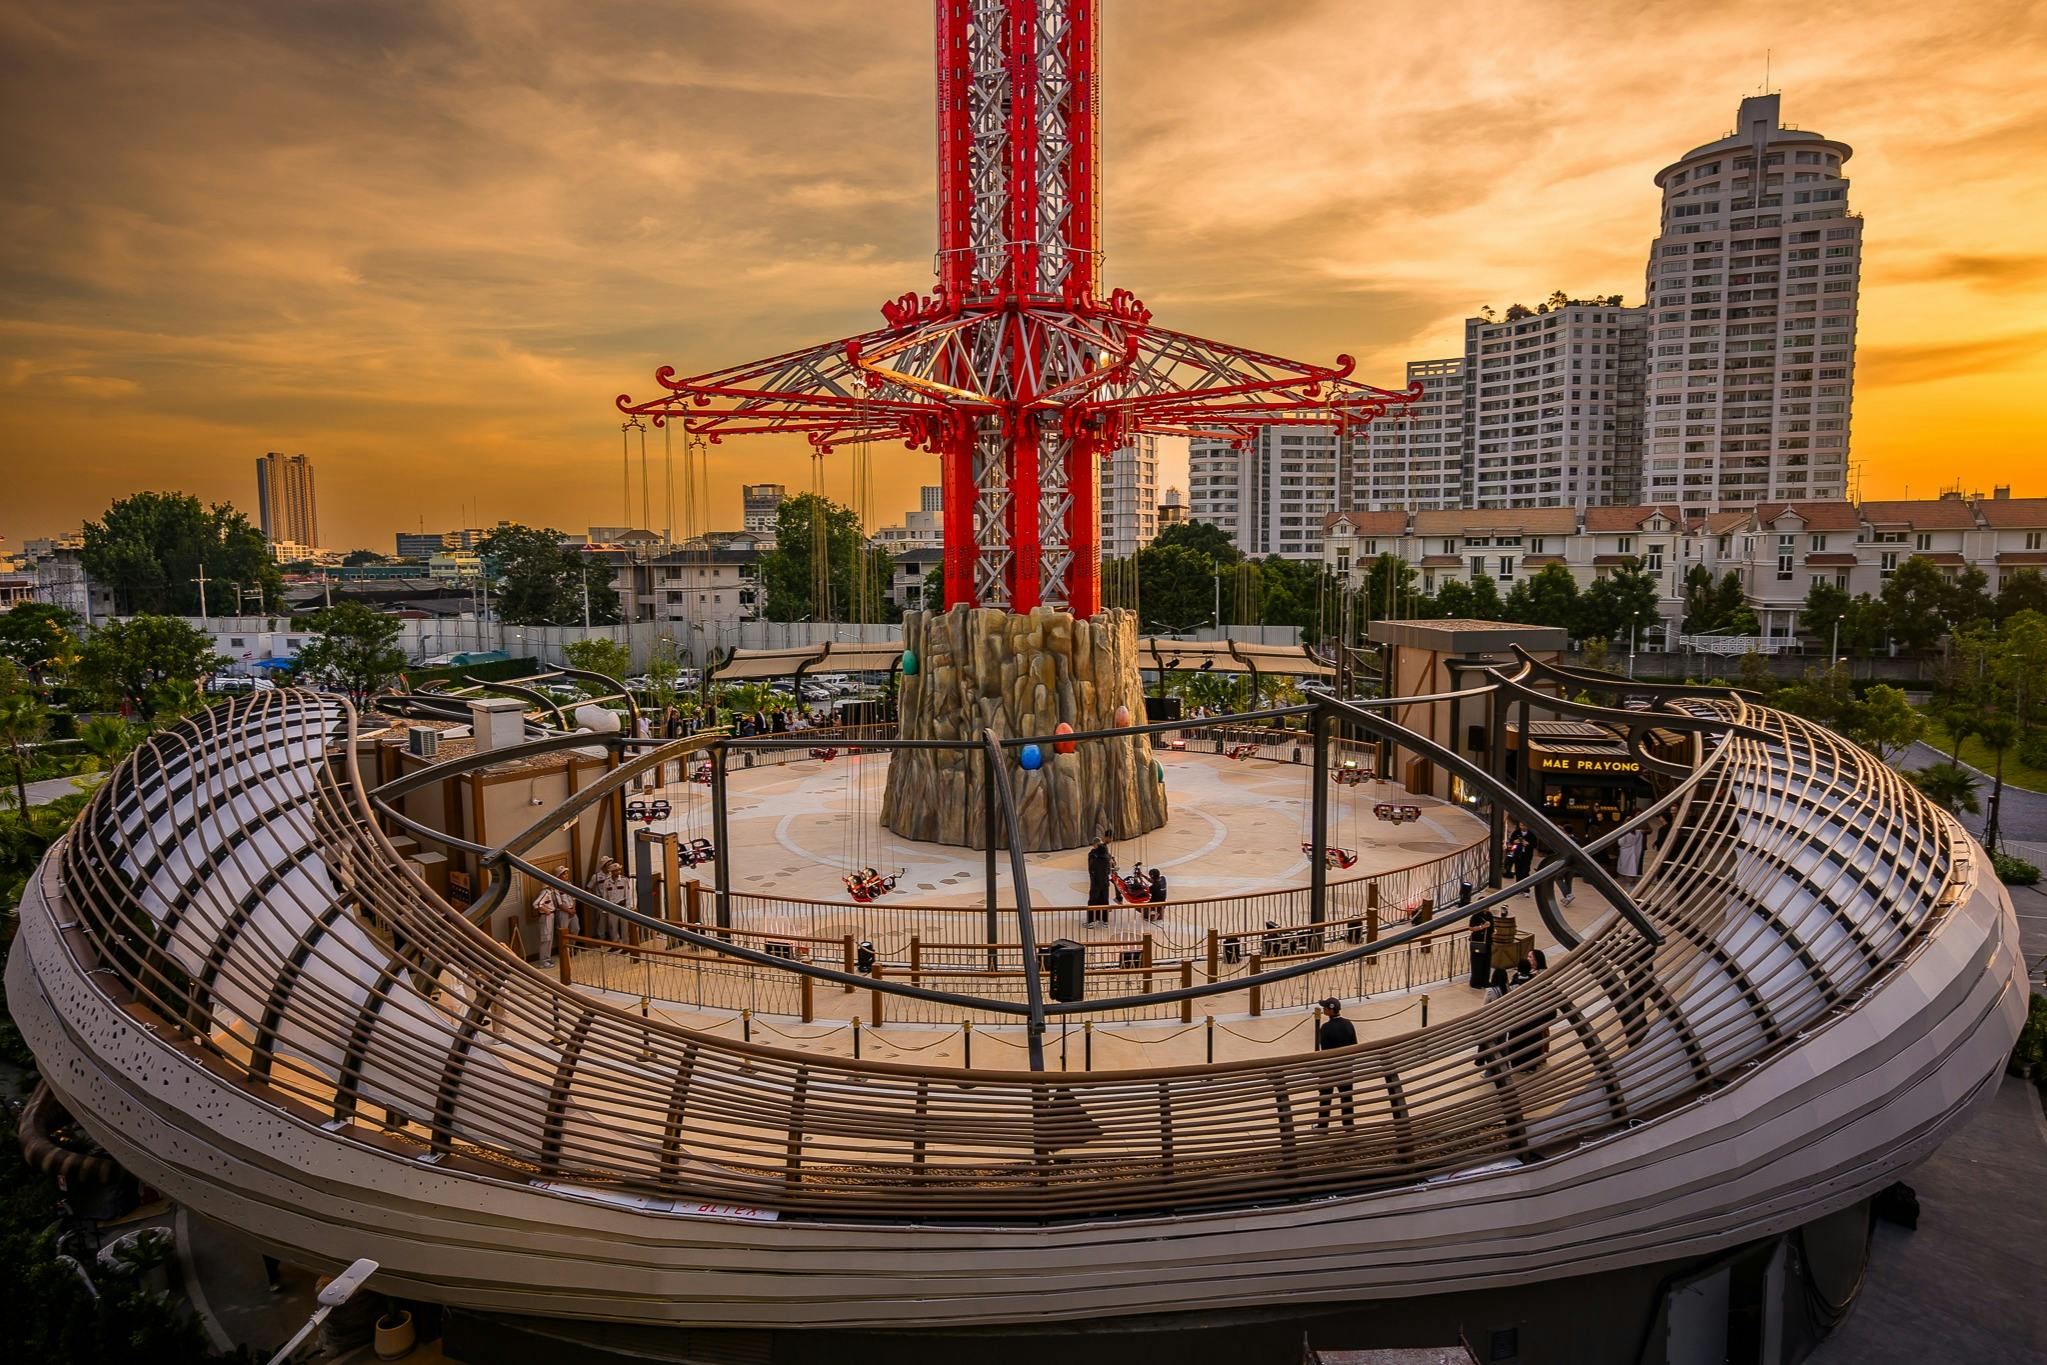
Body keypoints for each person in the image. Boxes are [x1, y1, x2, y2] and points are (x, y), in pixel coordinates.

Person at [1314, 998, 1357, 1130]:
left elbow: (1325, 1051)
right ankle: (1348, 1125)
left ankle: (1322, 1126)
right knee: (1346, 1097)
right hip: (1346, 1068)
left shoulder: (1325, 1028)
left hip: (1331, 1068)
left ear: (1330, 1010)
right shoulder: (1348, 1024)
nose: (1323, 1009)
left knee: (1325, 1096)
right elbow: (1354, 1045)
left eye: (1325, 1008)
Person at [1086, 835, 1112, 925]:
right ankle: (1104, 921)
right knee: (1104, 901)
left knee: (1093, 901)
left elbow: (1091, 869)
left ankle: (1091, 921)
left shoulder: (1093, 857)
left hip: (1095, 883)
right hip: (1105, 882)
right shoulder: (1107, 857)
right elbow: (1109, 870)